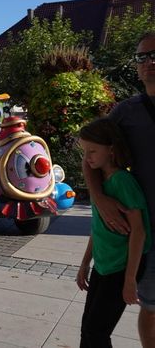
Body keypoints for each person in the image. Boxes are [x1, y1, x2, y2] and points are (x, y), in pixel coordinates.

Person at [84, 31, 155, 348]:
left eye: (154, 55)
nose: (149, 62)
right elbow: (89, 154)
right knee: (151, 310)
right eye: (142, 56)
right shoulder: (127, 112)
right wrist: (99, 199)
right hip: (146, 230)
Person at [76, 118, 151, 348]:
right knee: (88, 328)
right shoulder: (101, 181)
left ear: (111, 150)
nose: (87, 158)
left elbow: (139, 232)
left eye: (92, 151)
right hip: (104, 266)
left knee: (97, 332)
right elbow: (97, 228)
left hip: (120, 269)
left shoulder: (122, 181)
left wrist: (130, 280)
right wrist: (85, 262)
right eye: (84, 151)